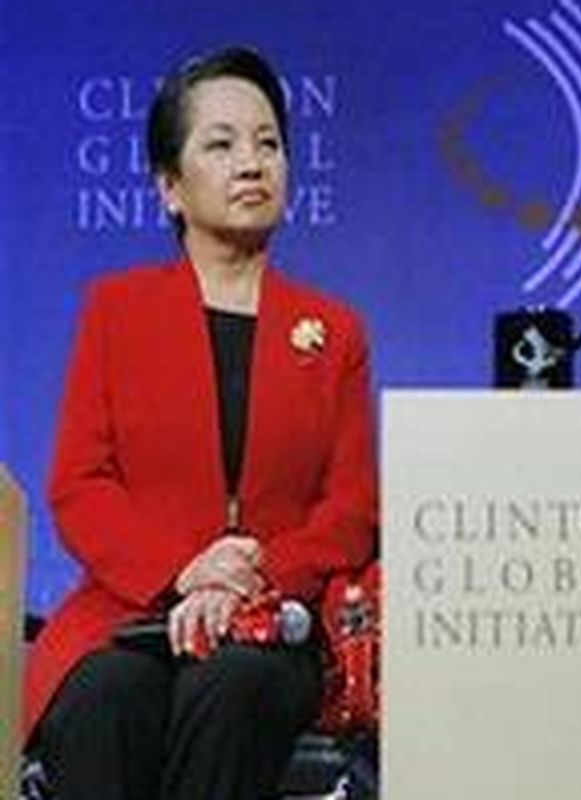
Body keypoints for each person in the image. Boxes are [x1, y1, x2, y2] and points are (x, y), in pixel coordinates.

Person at [22, 47, 377, 799]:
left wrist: (250, 581)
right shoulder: (116, 310)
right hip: (130, 613)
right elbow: (81, 487)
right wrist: (185, 571)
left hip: (266, 629)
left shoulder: (333, 330)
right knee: (107, 700)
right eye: (221, 144)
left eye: (268, 143)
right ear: (170, 187)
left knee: (234, 688)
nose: (252, 162)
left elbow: (350, 513)